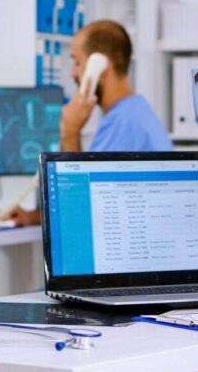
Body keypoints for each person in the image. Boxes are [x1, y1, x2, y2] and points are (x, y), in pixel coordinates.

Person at [10, 19, 172, 225]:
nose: (72, 73)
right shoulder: (132, 113)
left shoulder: (124, 124)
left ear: (100, 66)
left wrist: (70, 132)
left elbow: (80, 211)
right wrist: (33, 217)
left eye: (77, 62)